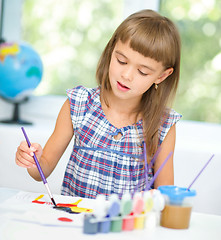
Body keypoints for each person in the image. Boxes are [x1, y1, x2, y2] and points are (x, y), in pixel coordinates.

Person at [15, 9, 182, 199]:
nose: (126, 75)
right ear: (111, 52)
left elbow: (164, 194)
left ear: (161, 76)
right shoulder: (78, 104)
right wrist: (32, 160)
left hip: (128, 227)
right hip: (76, 223)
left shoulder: (163, 125)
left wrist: (156, 198)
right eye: (121, 61)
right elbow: (41, 172)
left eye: (142, 71)